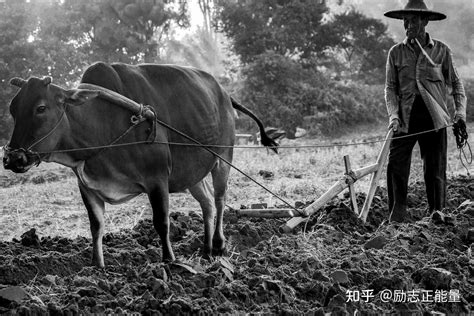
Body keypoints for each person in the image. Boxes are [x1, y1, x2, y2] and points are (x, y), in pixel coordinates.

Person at [383, 0, 467, 222]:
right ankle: (396, 217)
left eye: (413, 21)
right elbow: (390, 89)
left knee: (435, 170)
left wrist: (460, 114)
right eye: (405, 21)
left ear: (425, 21)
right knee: (396, 167)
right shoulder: (396, 53)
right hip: (405, 119)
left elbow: (457, 86)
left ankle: (436, 214)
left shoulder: (441, 51)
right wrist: (393, 115)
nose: (408, 26)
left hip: (434, 119)